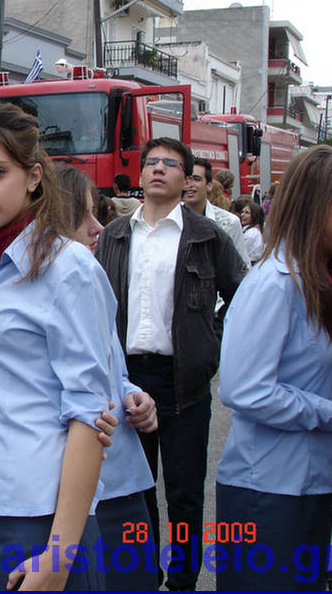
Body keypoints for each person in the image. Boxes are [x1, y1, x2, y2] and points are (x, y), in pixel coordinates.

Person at [0, 103, 116, 590]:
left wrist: (59, 554)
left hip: (37, 519)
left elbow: (89, 414)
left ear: (34, 177)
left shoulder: (67, 267)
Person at [95, 137, 245, 590]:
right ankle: (143, 577)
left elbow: (243, 296)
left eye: (171, 164)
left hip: (184, 383)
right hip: (127, 381)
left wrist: (211, 342)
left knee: (184, 494)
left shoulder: (206, 236)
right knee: (134, 492)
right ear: (141, 175)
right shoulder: (115, 235)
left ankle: (181, 581)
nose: (159, 169)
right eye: (152, 162)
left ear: (188, 179)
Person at [215, 145, 332, 590]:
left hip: (310, 483)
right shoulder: (274, 284)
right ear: (314, 207)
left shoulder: (322, 281)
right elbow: (244, 389)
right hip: (266, 492)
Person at [55, 165, 159, 590]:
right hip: (85, 488)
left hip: (122, 478)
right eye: (82, 216)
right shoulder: (73, 274)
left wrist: (134, 394)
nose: (97, 227)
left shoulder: (88, 278)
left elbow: (111, 369)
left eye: (96, 213)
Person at [183, 157, 250, 269]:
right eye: (186, 179)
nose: (190, 184)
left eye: (196, 179)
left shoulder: (229, 223)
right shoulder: (170, 220)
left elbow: (243, 267)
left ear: (209, 185)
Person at [237, 198, 265, 265]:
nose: (242, 215)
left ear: (254, 215)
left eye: (247, 212)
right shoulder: (251, 230)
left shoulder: (251, 233)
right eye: (242, 212)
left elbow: (239, 251)